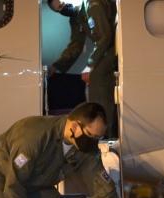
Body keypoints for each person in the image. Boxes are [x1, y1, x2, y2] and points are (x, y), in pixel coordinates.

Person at [47, 0, 118, 139]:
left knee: (98, 79)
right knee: (93, 85)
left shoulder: (92, 5)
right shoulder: (76, 16)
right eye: (59, 10)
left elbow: (106, 37)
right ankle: (100, 132)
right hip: (105, 49)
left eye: (61, 4)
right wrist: (57, 65)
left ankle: (107, 136)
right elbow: (76, 45)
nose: (63, 9)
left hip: (113, 47)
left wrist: (90, 65)